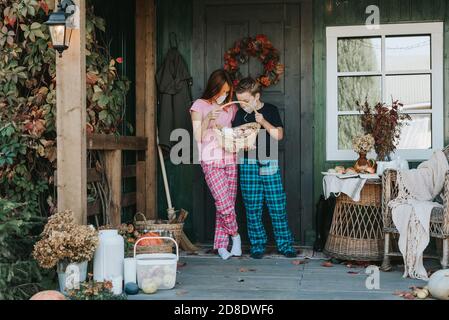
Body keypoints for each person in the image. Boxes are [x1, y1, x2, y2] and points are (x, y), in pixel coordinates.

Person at [233, 77, 296, 259]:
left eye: (245, 100)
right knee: (252, 207)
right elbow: (235, 140)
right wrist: (242, 145)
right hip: (248, 162)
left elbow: (278, 135)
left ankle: (284, 244)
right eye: (239, 100)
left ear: (256, 96)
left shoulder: (270, 110)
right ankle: (257, 245)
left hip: (268, 160)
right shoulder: (239, 114)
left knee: (277, 205)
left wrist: (263, 122)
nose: (242, 104)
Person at [190, 69, 241, 260]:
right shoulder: (199, 106)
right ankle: (235, 236)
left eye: (227, 92)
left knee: (226, 204)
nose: (224, 96)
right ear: (214, 87)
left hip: (230, 158)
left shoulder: (231, 108)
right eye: (221, 92)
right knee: (224, 203)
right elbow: (197, 136)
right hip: (210, 160)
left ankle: (220, 245)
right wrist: (210, 118)